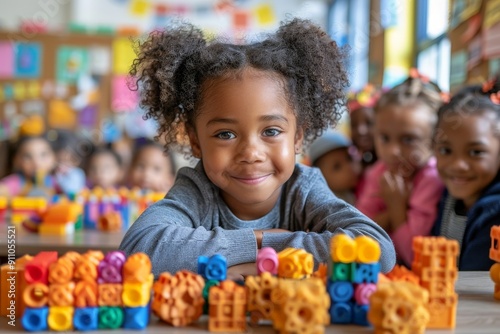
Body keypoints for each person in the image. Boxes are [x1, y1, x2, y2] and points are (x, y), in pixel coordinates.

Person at [120, 19, 396, 278]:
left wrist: (268, 249)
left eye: (271, 131)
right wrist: (258, 241)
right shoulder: (198, 190)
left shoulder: (304, 187)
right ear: (195, 141)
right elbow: (139, 250)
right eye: (225, 134)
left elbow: (378, 250)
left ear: (297, 136)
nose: (251, 153)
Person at [356, 70, 445, 268]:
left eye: (408, 139)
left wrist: (395, 208)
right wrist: (391, 215)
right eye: (384, 138)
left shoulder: (431, 179)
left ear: (434, 139)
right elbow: (358, 234)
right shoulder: (379, 171)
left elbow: (413, 256)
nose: (393, 151)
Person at [432, 79, 500, 270]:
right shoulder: (448, 196)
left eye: (475, 152)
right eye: (446, 151)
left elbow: (473, 277)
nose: (458, 165)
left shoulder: (495, 211)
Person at [308, 130, 361, 205]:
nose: (349, 168)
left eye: (349, 158)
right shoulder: (328, 204)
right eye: (337, 167)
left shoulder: (355, 189)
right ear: (321, 176)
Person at [348, 84, 380, 171]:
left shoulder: (388, 166)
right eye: (354, 125)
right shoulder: (352, 166)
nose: (360, 131)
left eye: (369, 123)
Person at [49, 129, 86, 196]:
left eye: (67, 161)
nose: (63, 165)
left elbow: (70, 190)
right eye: (59, 161)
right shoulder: (51, 174)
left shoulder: (77, 173)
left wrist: (59, 176)